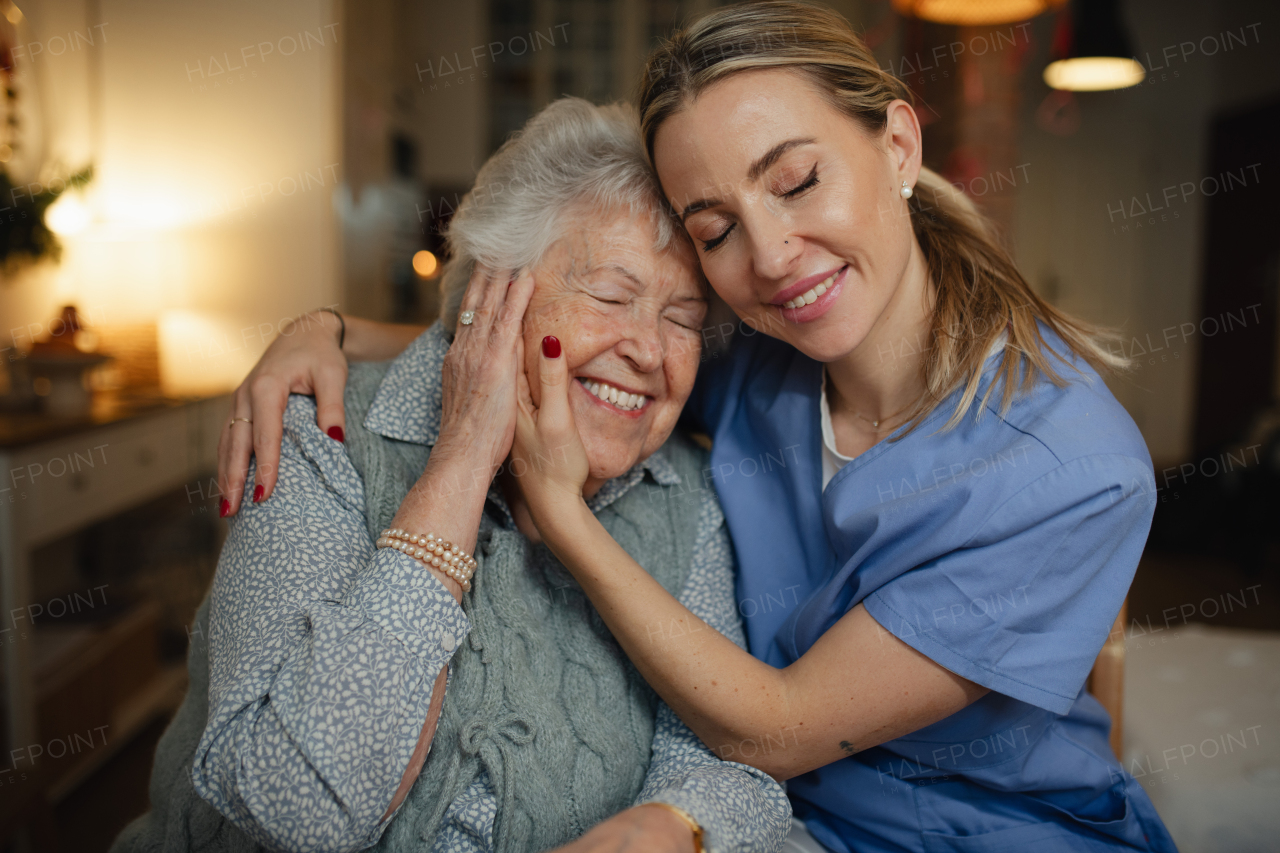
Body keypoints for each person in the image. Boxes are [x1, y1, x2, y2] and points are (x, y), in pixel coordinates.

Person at [218, 3, 1180, 851]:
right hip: (775, 820)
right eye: (714, 229)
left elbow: (780, 729)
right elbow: (576, 340)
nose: (768, 255)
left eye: (798, 181)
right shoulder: (766, 350)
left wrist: (563, 513)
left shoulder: (1073, 468)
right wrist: (331, 332)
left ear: (898, 146)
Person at [112, 98, 792, 853]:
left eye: (684, 320)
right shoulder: (323, 438)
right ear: (492, 296)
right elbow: (293, 805)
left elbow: (737, 761)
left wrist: (658, 829)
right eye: (610, 295)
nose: (650, 351)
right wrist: (465, 457)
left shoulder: (684, 494)